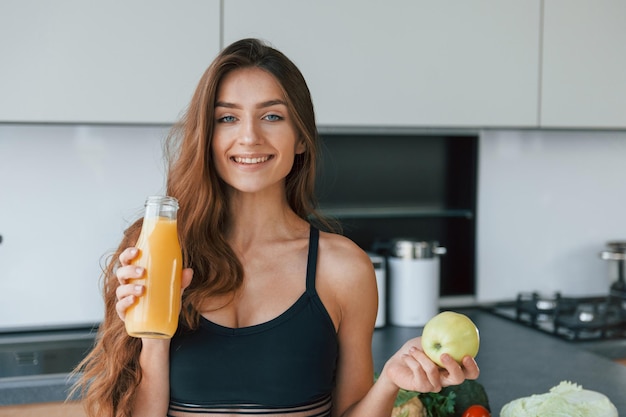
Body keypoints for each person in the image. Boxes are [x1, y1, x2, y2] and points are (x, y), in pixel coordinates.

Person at [73, 38, 479, 417]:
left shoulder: (343, 269)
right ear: (207, 136)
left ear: (301, 137)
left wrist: (389, 381)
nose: (249, 137)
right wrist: (153, 337)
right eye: (227, 118)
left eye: (271, 116)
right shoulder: (156, 250)